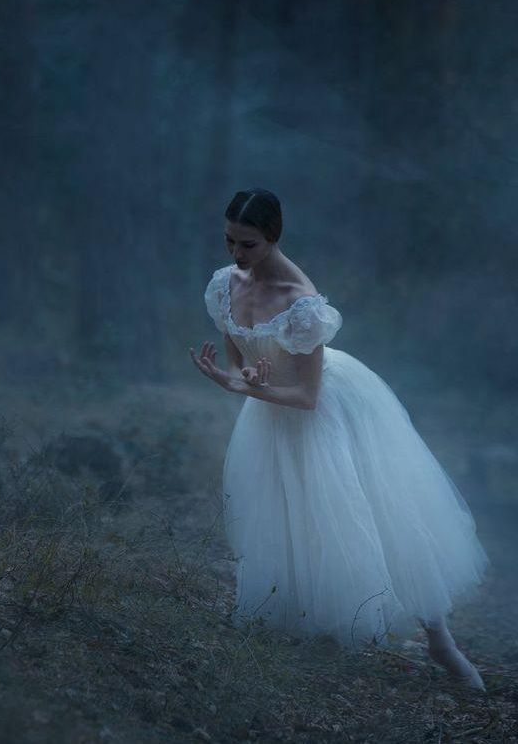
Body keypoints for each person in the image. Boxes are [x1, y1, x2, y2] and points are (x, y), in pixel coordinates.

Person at [189, 188, 490, 692]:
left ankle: (441, 642)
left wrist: (249, 387)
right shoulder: (226, 285)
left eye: (248, 245)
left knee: (379, 514)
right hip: (270, 411)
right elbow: (240, 356)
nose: (236, 255)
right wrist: (235, 380)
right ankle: (311, 633)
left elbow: (308, 396)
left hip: (328, 411)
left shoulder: (301, 301)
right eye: (229, 242)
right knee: (290, 517)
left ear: (273, 238)